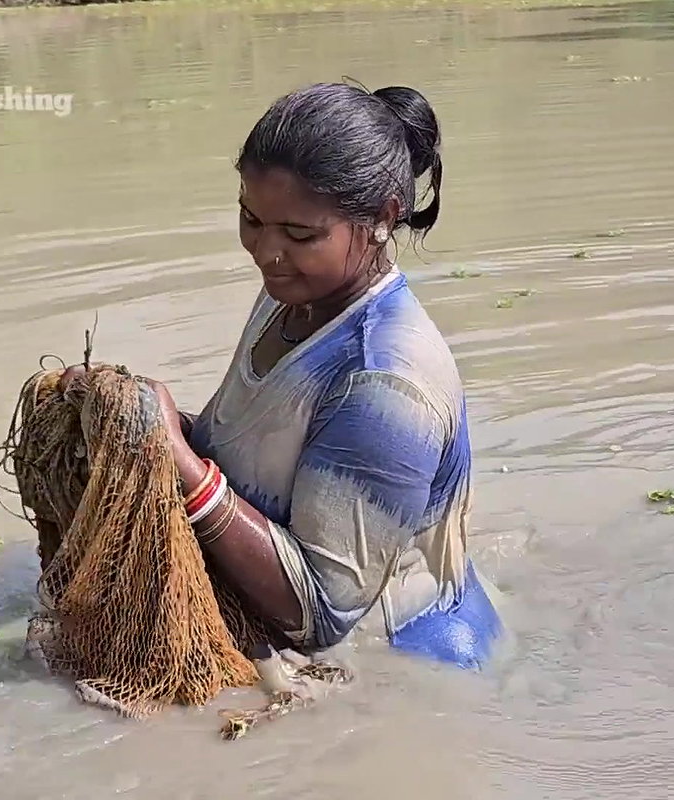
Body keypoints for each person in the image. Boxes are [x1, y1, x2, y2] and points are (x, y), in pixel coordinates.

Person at [143, 81, 502, 672]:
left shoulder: (384, 381)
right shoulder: (294, 293)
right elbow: (254, 450)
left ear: (384, 217)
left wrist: (180, 465)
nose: (265, 251)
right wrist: (149, 420)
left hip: (399, 664)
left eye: (300, 235)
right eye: (251, 219)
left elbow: (322, 613)